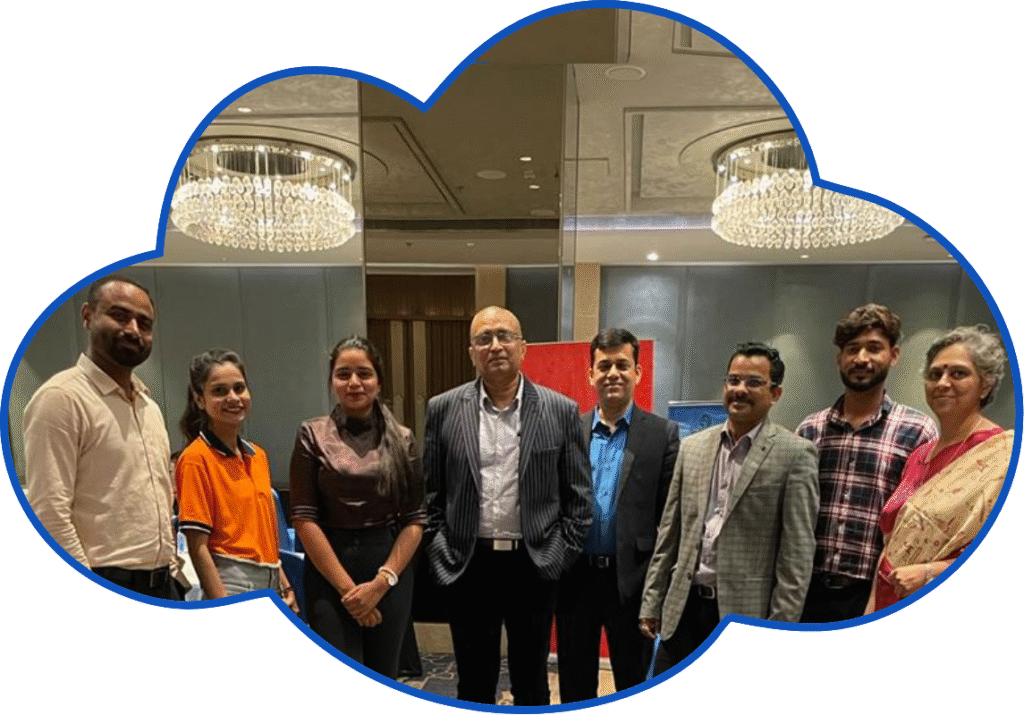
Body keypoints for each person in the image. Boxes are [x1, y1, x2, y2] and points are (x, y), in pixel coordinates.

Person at [423, 306, 592, 705]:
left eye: (504, 336)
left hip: (533, 565)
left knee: (531, 683)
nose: (495, 346)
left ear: (523, 348)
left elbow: (579, 498)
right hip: (468, 565)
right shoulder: (443, 409)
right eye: (484, 339)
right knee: (473, 683)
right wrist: (440, 549)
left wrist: (556, 557)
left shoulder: (560, 410)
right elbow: (430, 495)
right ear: (472, 352)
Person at [639, 342, 818, 673]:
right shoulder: (692, 448)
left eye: (753, 382)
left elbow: (797, 556)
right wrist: (652, 600)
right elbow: (669, 534)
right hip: (683, 610)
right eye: (733, 380)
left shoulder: (795, 455)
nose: (740, 389)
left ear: (775, 393)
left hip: (745, 618)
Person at [24, 274, 182, 599]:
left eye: (144, 323)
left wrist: (174, 573)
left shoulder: (149, 407)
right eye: (119, 316)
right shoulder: (61, 398)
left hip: (162, 583)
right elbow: (49, 513)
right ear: (87, 316)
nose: (133, 330)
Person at [289, 336, 425, 679]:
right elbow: (303, 518)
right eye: (343, 374)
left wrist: (380, 583)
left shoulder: (403, 438)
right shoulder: (311, 434)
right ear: (332, 381)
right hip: (329, 570)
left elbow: (415, 520)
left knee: (383, 679)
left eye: (364, 373)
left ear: (379, 381)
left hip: (388, 571)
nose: (354, 382)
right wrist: (349, 592)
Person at [555, 328, 678, 701]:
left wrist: (659, 590)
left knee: (633, 681)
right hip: (575, 580)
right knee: (575, 682)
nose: (613, 373)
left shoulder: (662, 434)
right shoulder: (569, 431)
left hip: (632, 581)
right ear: (590, 374)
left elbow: (670, 520)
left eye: (622, 365)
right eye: (604, 365)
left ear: (637, 372)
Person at [797, 304, 937, 622]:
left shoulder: (918, 431)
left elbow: (920, 522)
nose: (861, 358)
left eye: (874, 348)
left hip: (873, 592)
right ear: (839, 358)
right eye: (852, 349)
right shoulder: (810, 429)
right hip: (807, 590)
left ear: (894, 355)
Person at [865, 325, 1012, 613]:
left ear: (985, 385)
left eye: (958, 373)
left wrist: (930, 573)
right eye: (934, 375)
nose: (943, 383)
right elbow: (892, 543)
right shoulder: (920, 455)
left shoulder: (1003, 455)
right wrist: (870, 607)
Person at [174, 349, 299, 613]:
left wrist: (286, 587)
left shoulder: (258, 456)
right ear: (199, 399)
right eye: (219, 391)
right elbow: (197, 546)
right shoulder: (196, 458)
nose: (233, 398)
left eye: (239, 388)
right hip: (230, 584)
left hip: (271, 581)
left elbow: (265, 538)